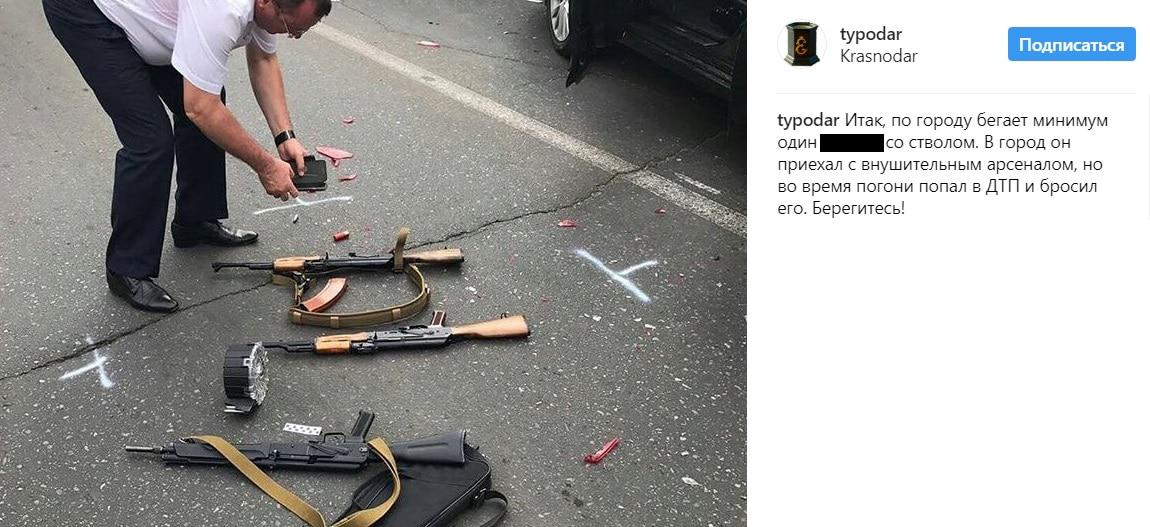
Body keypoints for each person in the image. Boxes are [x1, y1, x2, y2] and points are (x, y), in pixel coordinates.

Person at [42, 0, 331, 313]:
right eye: (290, 28)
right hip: (90, 12)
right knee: (151, 140)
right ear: (265, 2)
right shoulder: (224, 10)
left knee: (208, 99)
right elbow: (201, 108)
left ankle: (195, 221)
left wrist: (285, 136)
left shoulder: (268, 6)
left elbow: (263, 57)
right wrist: (264, 166)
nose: (290, 35)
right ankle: (127, 269)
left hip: (146, 17)